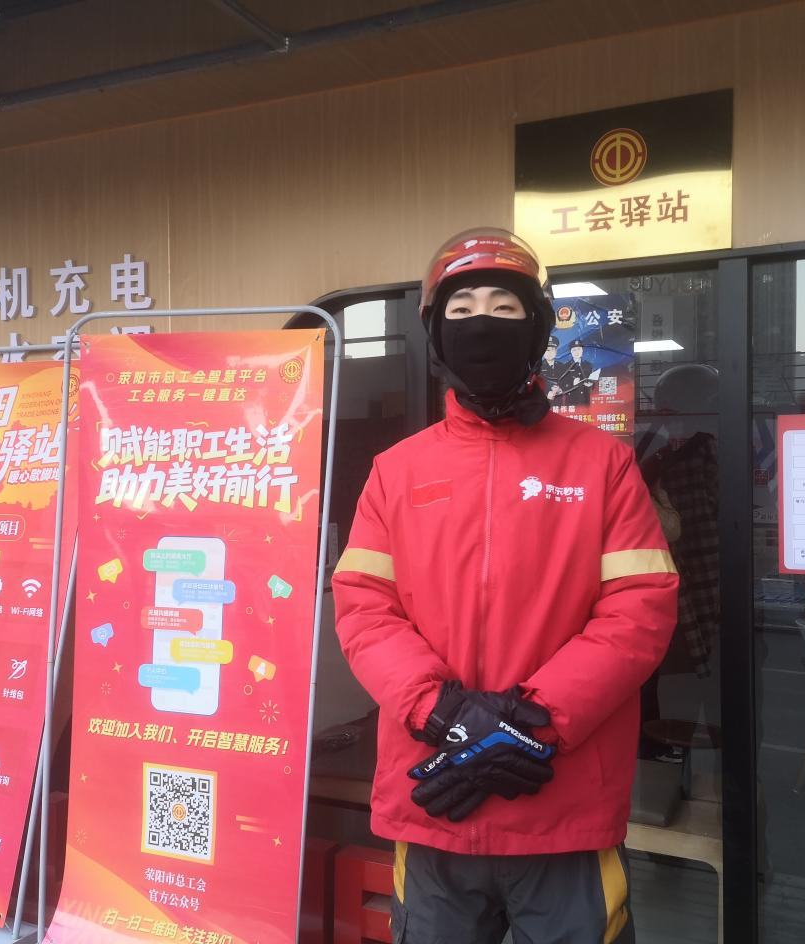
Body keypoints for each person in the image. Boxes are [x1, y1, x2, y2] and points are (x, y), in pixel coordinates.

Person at [333, 228, 679, 943]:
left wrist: (532, 722)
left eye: (503, 306)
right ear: (437, 336)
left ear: (537, 330)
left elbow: (640, 609)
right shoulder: (396, 470)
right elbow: (364, 609)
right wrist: (441, 713)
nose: (481, 324)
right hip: (436, 793)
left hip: (560, 802)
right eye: (460, 311)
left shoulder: (602, 463)